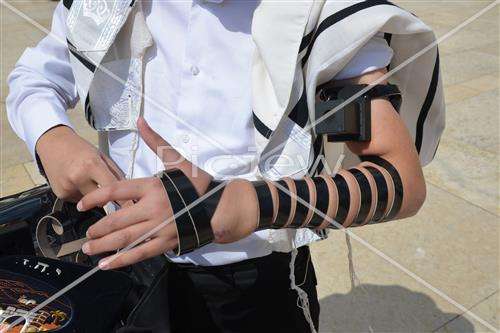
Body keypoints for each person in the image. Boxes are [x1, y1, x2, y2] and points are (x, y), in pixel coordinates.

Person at [6, 1, 444, 332]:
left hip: (253, 289)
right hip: (120, 267)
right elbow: (37, 77)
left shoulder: (322, 13)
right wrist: (53, 138)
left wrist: (246, 203)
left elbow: (399, 179)